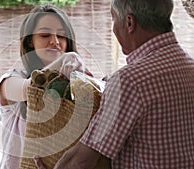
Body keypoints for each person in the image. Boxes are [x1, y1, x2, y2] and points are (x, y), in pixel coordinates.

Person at [34, 0, 194, 168]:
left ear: (129, 23)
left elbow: (82, 160)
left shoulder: (130, 81)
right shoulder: (190, 67)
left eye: (114, 19)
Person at [0, 4, 89, 169]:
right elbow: (31, 88)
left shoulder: (77, 88)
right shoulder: (12, 79)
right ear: (30, 42)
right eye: (45, 35)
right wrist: (67, 59)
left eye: (62, 36)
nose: (55, 41)